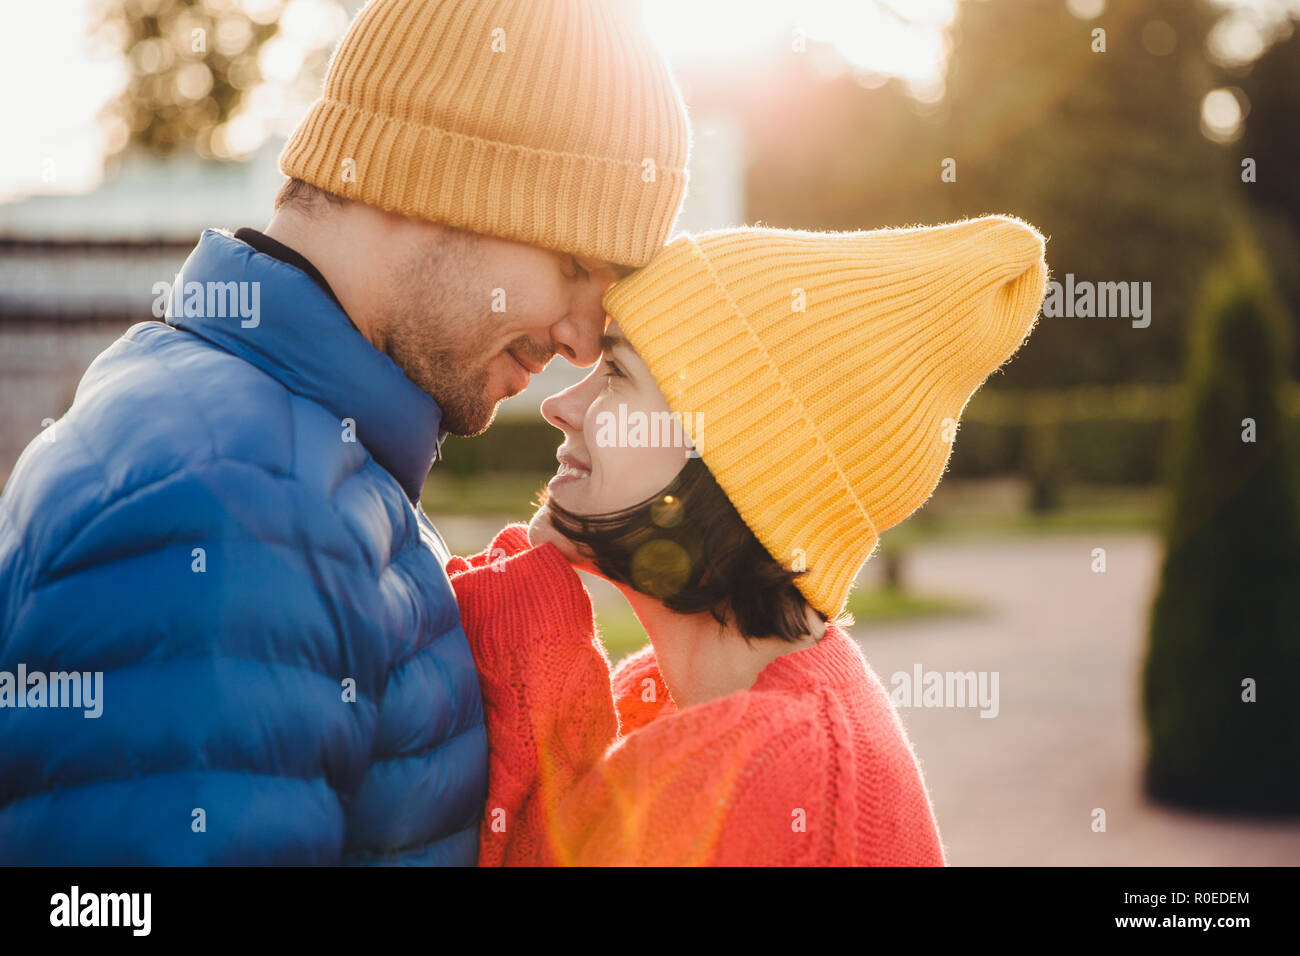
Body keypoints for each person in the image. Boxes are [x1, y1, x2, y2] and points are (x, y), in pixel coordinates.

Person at [0, 0, 689, 864]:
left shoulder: (297, 455)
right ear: (432, 181)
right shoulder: (231, 499)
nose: (584, 340)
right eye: (575, 267)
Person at [447, 216, 1049, 865]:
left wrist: (527, 655)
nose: (559, 405)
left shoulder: (780, 779)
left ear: (741, 465)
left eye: (617, 373)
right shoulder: (692, 710)